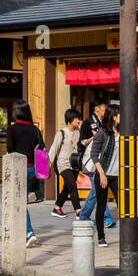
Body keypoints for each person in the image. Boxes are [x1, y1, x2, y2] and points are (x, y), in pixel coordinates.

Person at [6, 99, 43, 247]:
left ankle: (28, 232)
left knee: (19, 202)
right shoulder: (35, 129)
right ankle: (21, 232)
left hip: (18, 168)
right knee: (22, 201)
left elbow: (10, 148)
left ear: (16, 112)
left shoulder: (12, 128)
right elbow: (42, 147)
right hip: (33, 169)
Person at [76, 99, 115, 229]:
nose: (104, 112)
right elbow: (81, 142)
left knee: (96, 190)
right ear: (96, 109)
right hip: (92, 161)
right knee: (97, 190)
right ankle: (105, 218)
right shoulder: (88, 123)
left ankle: (84, 216)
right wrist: (95, 137)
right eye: (102, 109)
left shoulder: (105, 122)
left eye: (105, 110)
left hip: (102, 161)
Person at [87, 105, 119, 247]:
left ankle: (127, 235)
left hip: (118, 175)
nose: (121, 117)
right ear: (113, 116)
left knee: (123, 207)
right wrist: (101, 174)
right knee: (101, 206)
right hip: (103, 174)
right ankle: (101, 237)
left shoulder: (124, 132)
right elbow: (94, 154)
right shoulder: (103, 133)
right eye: (119, 114)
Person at [48, 108, 83, 218]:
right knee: (73, 186)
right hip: (63, 164)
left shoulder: (78, 132)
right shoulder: (61, 133)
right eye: (76, 118)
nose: (78, 120)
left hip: (75, 164)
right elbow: (53, 150)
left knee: (67, 187)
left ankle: (57, 208)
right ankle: (78, 211)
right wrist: (47, 166)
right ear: (69, 120)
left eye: (78, 118)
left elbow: (81, 147)